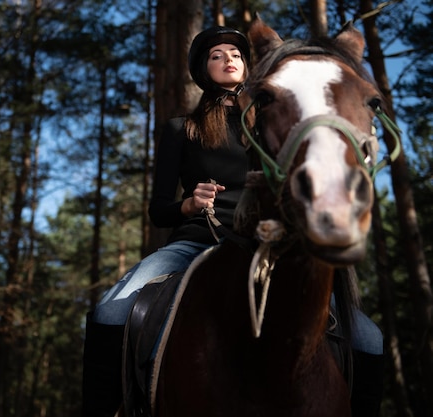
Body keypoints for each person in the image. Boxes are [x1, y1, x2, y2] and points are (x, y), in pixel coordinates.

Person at [81, 26, 384, 417]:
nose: (228, 60)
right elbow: (158, 209)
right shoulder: (180, 128)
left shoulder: (273, 120)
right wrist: (187, 204)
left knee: (369, 338)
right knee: (110, 312)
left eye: (236, 55)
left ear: (248, 67)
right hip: (193, 245)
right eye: (216, 55)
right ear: (204, 69)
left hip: (266, 244)